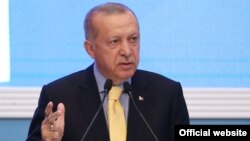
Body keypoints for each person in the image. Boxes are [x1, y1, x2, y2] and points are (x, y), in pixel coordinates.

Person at [26, 2, 189, 141]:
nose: (127, 50)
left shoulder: (167, 94)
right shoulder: (59, 96)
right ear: (90, 49)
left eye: (133, 39)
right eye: (114, 41)